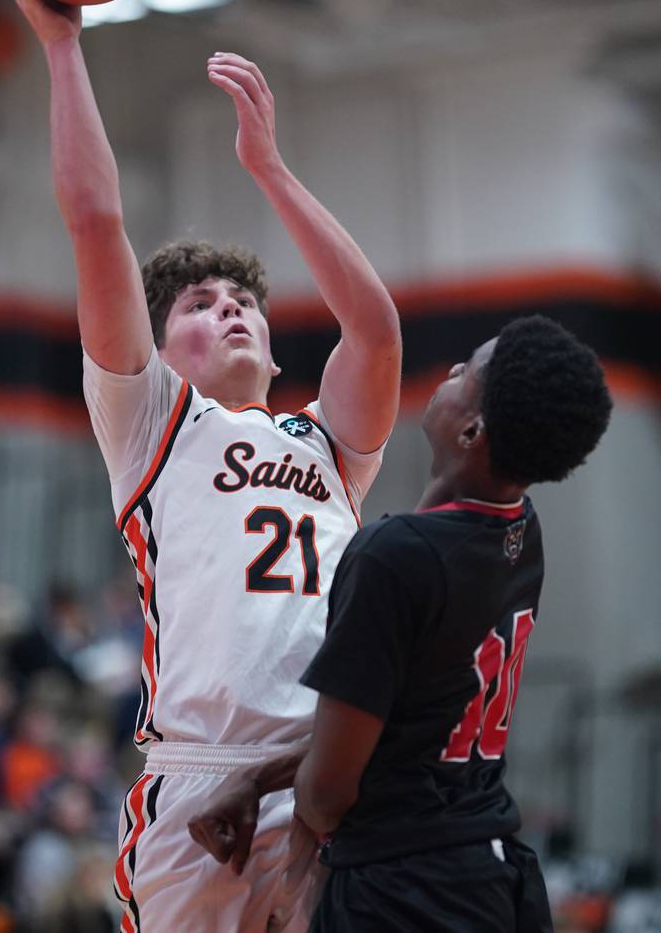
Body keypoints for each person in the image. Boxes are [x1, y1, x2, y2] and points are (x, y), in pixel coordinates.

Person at [0, 0, 401, 932]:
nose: (231, 311)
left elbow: (375, 331)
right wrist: (58, 44)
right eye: (201, 305)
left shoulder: (327, 448)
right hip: (197, 781)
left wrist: (267, 168)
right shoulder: (154, 424)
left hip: (315, 784)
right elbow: (94, 219)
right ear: (160, 349)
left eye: (245, 302)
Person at [189, 314, 613, 933]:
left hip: (402, 893)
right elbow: (399, 730)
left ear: (472, 429)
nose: (451, 372)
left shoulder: (394, 554)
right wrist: (258, 778)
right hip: (491, 876)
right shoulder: (521, 532)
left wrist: (298, 877)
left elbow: (329, 793)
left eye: (469, 371)